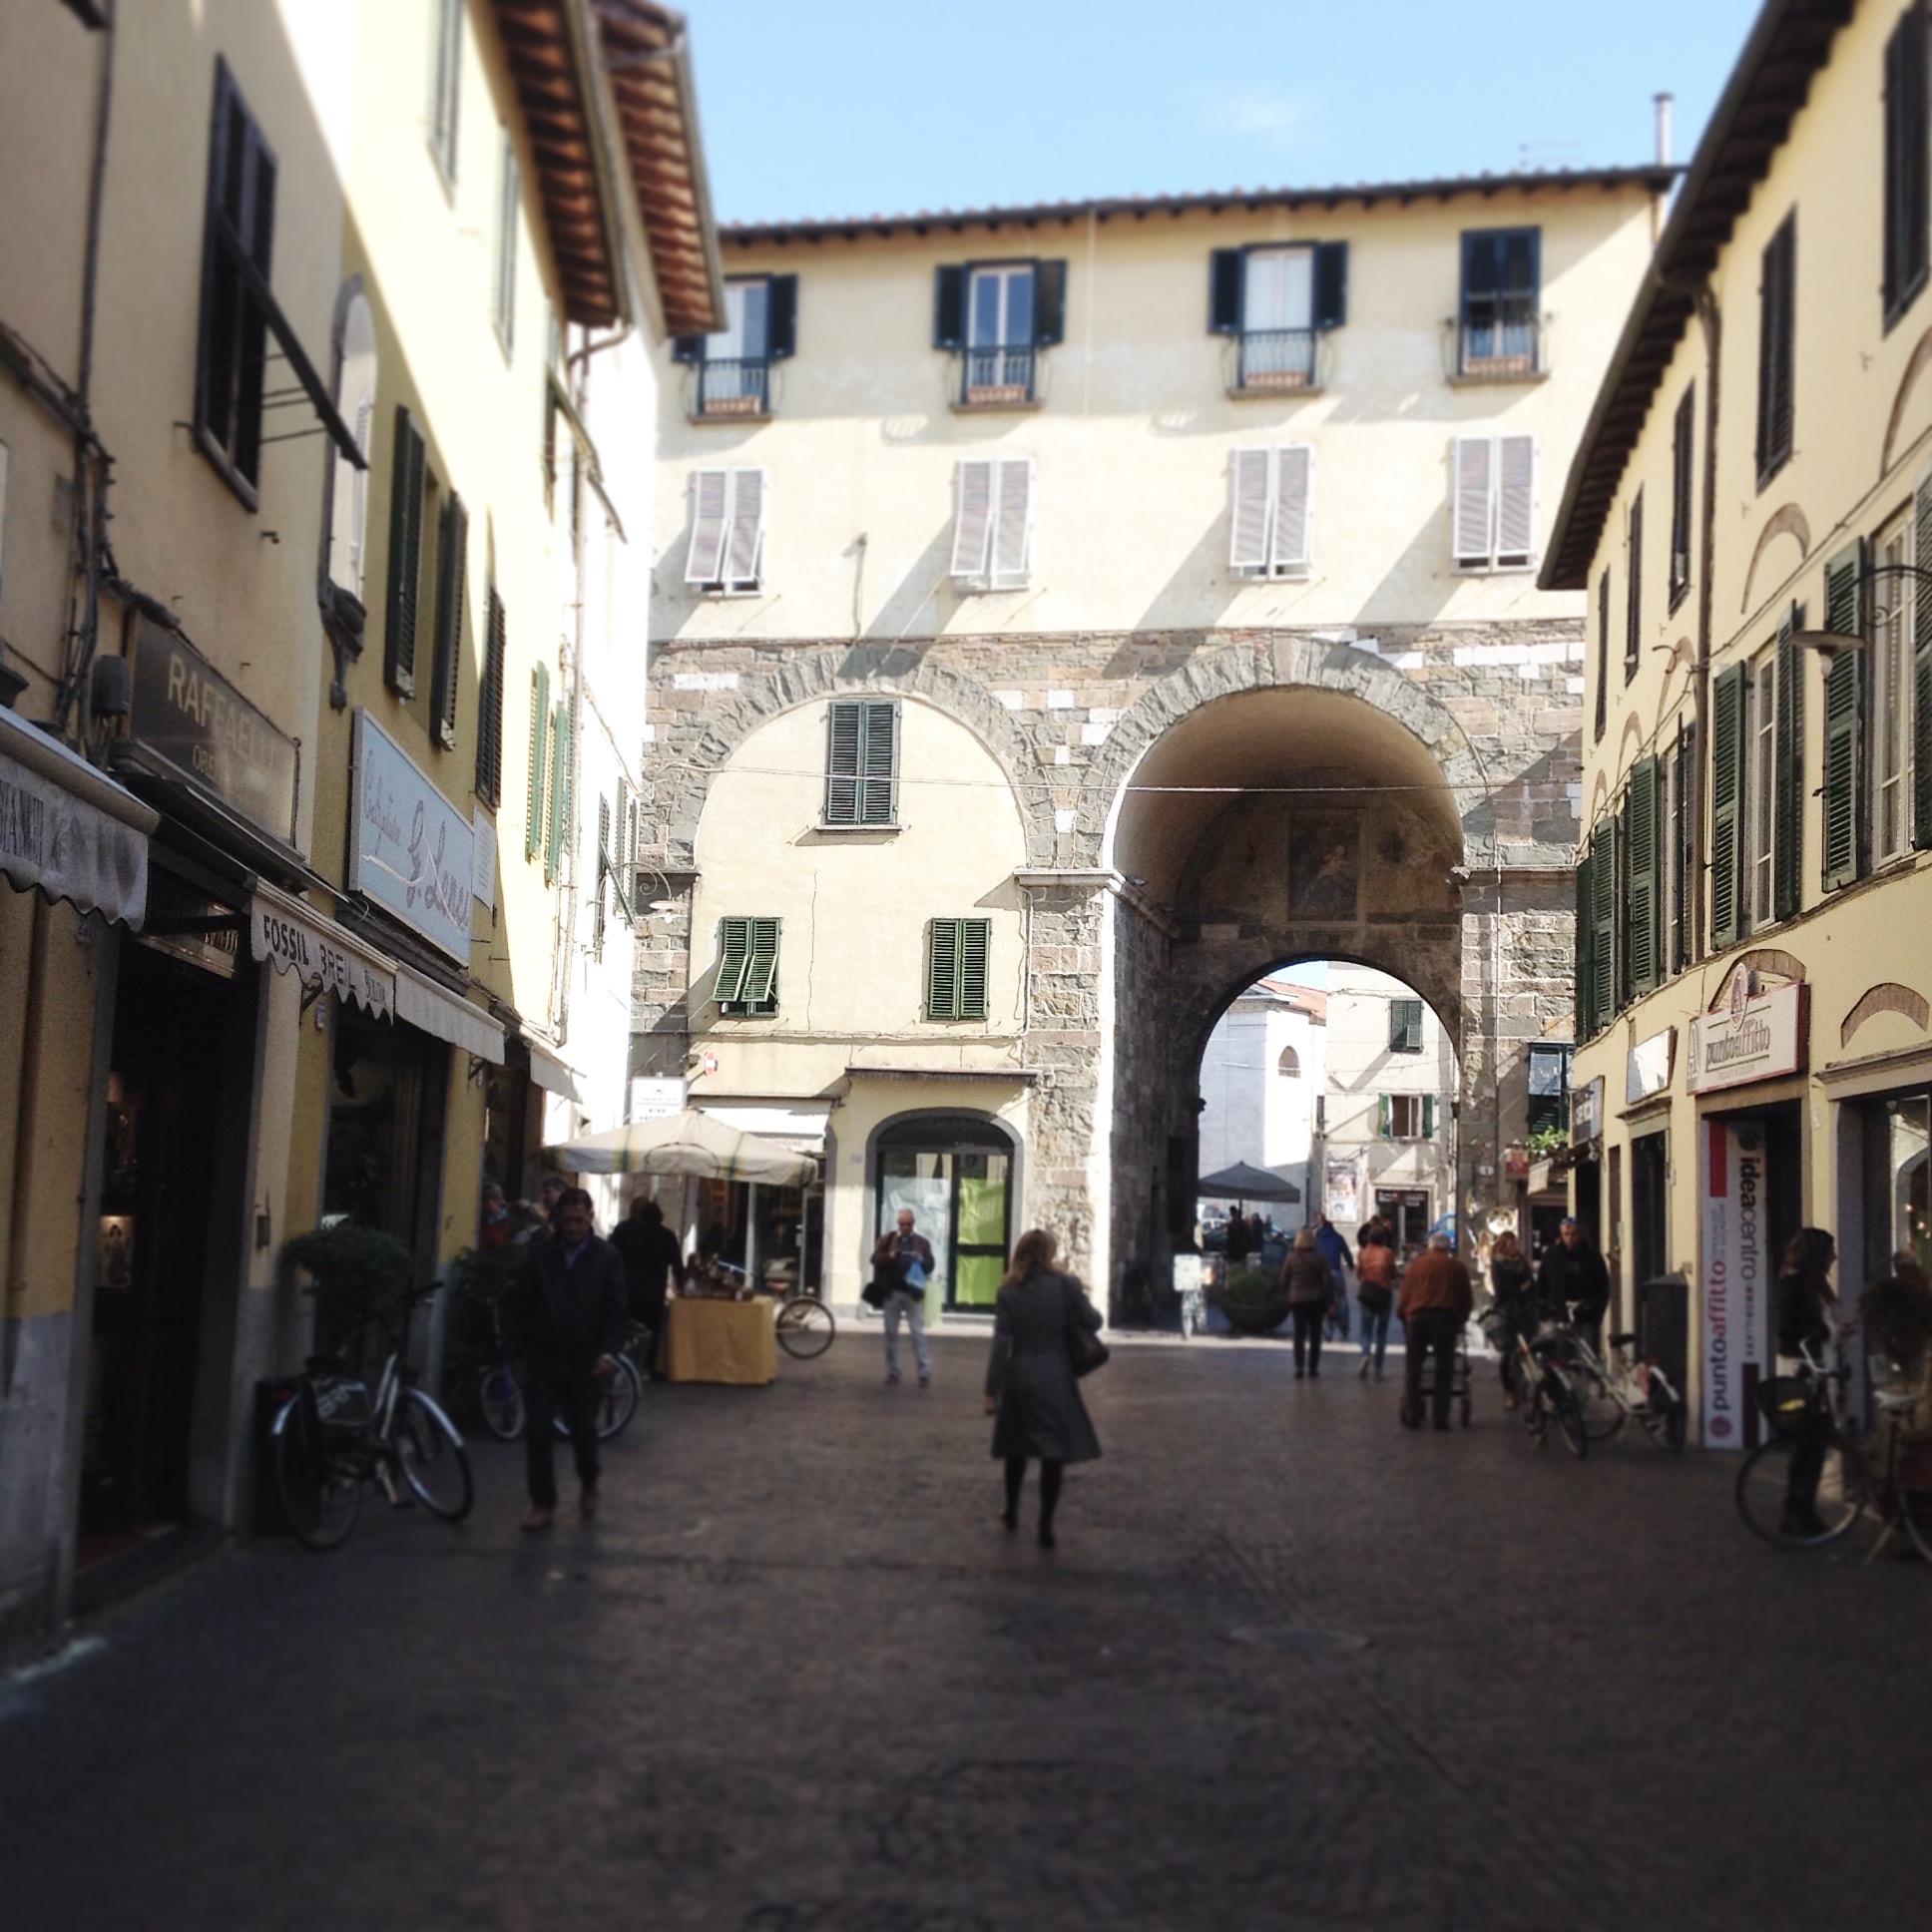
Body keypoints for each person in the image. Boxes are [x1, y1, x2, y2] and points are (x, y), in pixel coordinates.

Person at [504, 1187, 628, 1531]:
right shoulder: (541, 1255)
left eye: (579, 1220)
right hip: (543, 1357)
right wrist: (517, 1353)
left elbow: (616, 1310)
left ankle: (589, 1482)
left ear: (589, 1218)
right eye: (567, 1219)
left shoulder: (607, 1258)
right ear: (558, 1218)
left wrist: (609, 1352)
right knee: (538, 1432)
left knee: (583, 1432)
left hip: (585, 1361)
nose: (573, 1227)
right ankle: (543, 1503)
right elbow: (520, 1304)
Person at [982, 1227, 1103, 1549]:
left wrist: (991, 1391)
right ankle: (1045, 1524)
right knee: (1053, 1452)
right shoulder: (1067, 1287)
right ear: (1049, 1253)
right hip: (1056, 1374)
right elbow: (1094, 1322)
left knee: (1016, 1449)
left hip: (1020, 1374)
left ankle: (1011, 1509)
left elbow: (1001, 1344)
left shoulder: (1008, 1292)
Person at [1774, 1227, 1840, 1538]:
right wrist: (1826, 1333)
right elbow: (1788, 1329)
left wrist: (1836, 1331)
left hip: (1819, 1370)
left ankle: (1803, 1510)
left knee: (1814, 1444)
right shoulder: (1793, 1284)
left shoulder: (1813, 1286)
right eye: (1830, 1251)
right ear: (1816, 1254)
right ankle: (1796, 1511)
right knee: (1808, 1444)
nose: (1834, 1257)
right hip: (1804, 1374)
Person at [1399, 1232, 1473, 1430]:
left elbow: (1406, 1294)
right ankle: (1440, 1417)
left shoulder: (1417, 1265)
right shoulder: (1456, 1267)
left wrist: (1403, 1315)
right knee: (1444, 1368)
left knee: (1414, 1366)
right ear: (1447, 1248)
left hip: (1418, 1318)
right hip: (1445, 1320)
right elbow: (1465, 1297)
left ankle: (1412, 1411)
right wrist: (1462, 1318)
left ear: (1430, 1247)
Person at [609, 1196, 686, 1372]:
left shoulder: (625, 1230)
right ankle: (648, 1366)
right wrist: (680, 1286)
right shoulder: (667, 1236)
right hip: (654, 1292)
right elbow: (677, 1265)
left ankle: (624, 1362)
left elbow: (611, 1256)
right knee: (651, 1331)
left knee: (626, 1328)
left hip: (628, 1289)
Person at [871, 1208, 936, 1386]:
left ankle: (924, 1372)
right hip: (892, 1293)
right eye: (902, 1224)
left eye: (908, 1224)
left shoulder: (922, 1242)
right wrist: (889, 1257)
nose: (905, 1227)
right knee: (891, 1333)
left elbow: (930, 1265)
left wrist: (921, 1259)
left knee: (917, 1333)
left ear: (913, 1224)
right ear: (898, 1224)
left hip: (912, 1293)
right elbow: (875, 1260)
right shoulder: (887, 1240)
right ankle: (893, 1372)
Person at [1535, 1216, 1611, 1352]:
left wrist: (1596, 1313)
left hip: (1585, 1314)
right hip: (1558, 1315)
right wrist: (1545, 1312)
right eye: (1566, 1234)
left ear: (1580, 1234)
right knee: (1560, 1354)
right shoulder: (1552, 1255)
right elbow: (1542, 1285)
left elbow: (1602, 1287)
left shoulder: (1592, 1257)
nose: (1570, 1238)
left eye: (1574, 1234)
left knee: (1588, 1353)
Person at [1279, 1226, 1337, 1380]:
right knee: (1315, 1336)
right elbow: (1327, 1282)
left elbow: (1283, 1279)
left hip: (1297, 1300)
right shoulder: (1320, 1258)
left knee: (1299, 1335)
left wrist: (1288, 1293)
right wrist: (1331, 1301)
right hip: (1316, 1300)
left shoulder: (1291, 1258)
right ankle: (1313, 1368)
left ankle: (1299, 1367)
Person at [1487, 1227, 1535, 1407]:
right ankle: (1509, 1390)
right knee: (1507, 1352)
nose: (1516, 1246)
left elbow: (1531, 1283)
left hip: (1525, 1310)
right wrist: (1521, 1289)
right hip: (1506, 1311)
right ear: (1503, 1245)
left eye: (1516, 1243)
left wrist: (1526, 1292)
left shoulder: (1521, 1261)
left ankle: (1521, 1385)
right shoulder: (1498, 1263)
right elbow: (1502, 1289)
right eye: (1512, 1243)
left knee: (1527, 1350)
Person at [1355, 1217, 1397, 1381]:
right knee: (1381, 1332)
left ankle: (1365, 1354)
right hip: (1384, 1293)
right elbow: (1392, 1273)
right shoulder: (1388, 1253)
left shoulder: (1362, 1254)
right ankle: (1378, 1368)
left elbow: (1359, 1273)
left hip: (1367, 1292)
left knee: (1366, 1329)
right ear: (1383, 1238)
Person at [1314, 1214, 1353, 1338]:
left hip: (1321, 1273)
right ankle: (1344, 1323)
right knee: (1342, 1296)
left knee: (1323, 1297)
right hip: (1335, 1271)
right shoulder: (1338, 1237)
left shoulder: (1318, 1238)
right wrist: (1351, 1265)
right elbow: (1346, 1253)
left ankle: (1326, 1325)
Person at [479, 1183, 510, 1250]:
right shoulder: (490, 1207)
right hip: (491, 1240)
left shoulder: (504, 1208)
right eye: (500, 1193)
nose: (502, 1196)